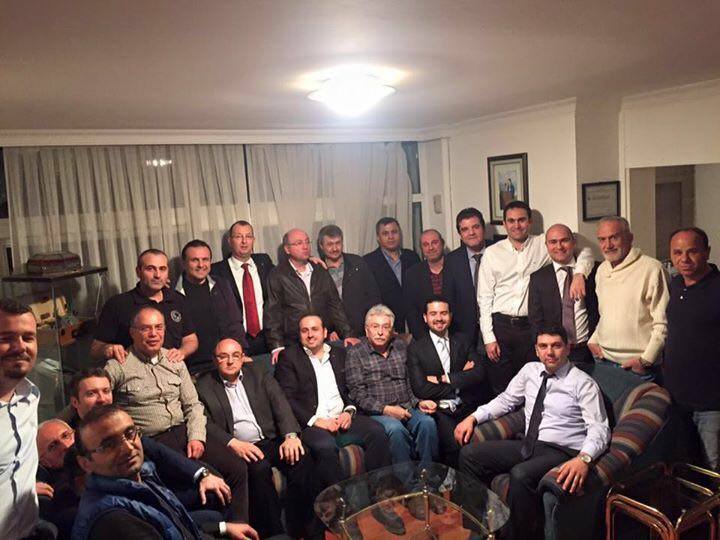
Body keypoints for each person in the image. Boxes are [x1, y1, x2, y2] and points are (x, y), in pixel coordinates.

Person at [455, 326, 610, 540]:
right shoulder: (530, 371)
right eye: (543, 346)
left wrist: (584, 459)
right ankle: (481, 528)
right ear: (536, 350)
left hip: (562, 451)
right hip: (529, 444)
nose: (550, 352)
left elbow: (599, 428)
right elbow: (507, 400)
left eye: (556, 346)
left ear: (567, 348)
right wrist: (473, 417)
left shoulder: (583, 383)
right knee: (469, 455)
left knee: (520, 474)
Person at [104, 306, 249, 523]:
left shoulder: (174, 360)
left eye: (158, 327)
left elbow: (193, 405)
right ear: (133, 332)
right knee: (214, 482)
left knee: (237, 468)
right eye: (145, 328)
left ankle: (241, 528)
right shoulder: (119, 365)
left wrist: (196, 437)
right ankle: (216, 530)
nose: (153, 334)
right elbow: (93, 396)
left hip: (186, 432)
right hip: (155, 441)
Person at [196, 338, 322, 539]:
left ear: (242, 357)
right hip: (242, 446)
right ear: (214, 359)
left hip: (271, 438)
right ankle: (276, 535)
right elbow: (205, 422)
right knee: (259, 471)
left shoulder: (258, 372)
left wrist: (290, 435)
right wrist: (233, 443)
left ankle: (308, 530)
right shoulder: (203, 386)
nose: (230, 361)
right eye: (223, 356)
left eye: (235, 355)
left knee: (302, 457)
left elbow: (279, 402)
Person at [72, 405, 258, 540]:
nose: (128, 448)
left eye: (130, 433)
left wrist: (224, 528)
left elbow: (177, 529)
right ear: (85, 463)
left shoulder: (144, 480)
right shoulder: (113, 521)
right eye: (109, 445)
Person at [478, 202, 595, 396]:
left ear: (530, 222)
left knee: (534, 384)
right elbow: (484, 298)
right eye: (511, 221)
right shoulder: (492, 253)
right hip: (501, 327)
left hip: (530, 328)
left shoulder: (544, 243)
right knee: (503, 387)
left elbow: (586, 252)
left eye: (522, 220)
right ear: (504, 224)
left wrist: (579, 274)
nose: (517, 225)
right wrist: (489, 338)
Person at [274, 314, 392, 485]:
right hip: (312, 423)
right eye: (305, 331)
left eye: (315, 329)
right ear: (299, 334)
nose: (310, 335)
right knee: (325, 447)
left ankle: (382, 490)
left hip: (342, 417)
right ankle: (337, 498)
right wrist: (316, 421)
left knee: (377, 432)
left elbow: (352, 388)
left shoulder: (340, 354)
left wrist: (348, 411)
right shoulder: (289, 357)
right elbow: (286, 399)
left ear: (324, 332)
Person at [345, 305, 439, 466]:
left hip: (407, 407)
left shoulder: (401, 347)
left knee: (427, 423)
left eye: (385, 327)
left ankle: (429, 475)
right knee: (396, 429)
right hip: (376, 412)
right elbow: (358, 395)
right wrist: (386, 409)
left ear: (392, 331)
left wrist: (418, 402)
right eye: (375, 327)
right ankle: (406, 479)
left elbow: (409, 380)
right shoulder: (355, 353)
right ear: (367, 330)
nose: (380, 332)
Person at [407, 296, 486, 467]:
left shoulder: (463, 340)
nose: (439, 318)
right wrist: (460, 379)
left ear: (450, 315)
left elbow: (479, 373)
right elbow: (420, 388)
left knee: (481, 449)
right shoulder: (416, 348)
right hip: (439, 411)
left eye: (443, 313)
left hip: (467, 406)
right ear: (425, 317)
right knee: (454, 449)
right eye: (433, 314)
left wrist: (443, 378)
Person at [664, 227, 720, 469]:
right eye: (677, 253)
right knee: (684, 464)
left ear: (707, 252)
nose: (684, 259)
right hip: (676, 399)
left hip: (712, 403)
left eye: (692, 251)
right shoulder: (675, 284)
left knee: (712, 467)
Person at [588, 216, 669, 380]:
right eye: (602, 239)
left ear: (630, 238)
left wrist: (646, 360)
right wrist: (593, 340)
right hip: (603, 361)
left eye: (614, 237)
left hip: (638, 368)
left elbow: (663, 322)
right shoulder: (602, 270)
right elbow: (605, 314)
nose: (608, 245)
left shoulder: (652, 268)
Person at [265, 228, 357, 364]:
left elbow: (334, 304)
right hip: (294, 341)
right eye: (299, 243)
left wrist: (348, 334)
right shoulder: (277, 275)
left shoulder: (320, 270)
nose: (305, 246)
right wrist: (277, 346)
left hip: (322, 340)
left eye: (307, 242)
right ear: (287, 249)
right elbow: (273, 312)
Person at [91, 249, 198, 364]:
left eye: (162, 269)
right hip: (134, 371)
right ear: (138, 272)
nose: (157, 275)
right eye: (150, 269)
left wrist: (182, 352)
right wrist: (107, 349)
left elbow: (191, 340)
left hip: (172, 369)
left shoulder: (178, 299)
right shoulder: (118, 304)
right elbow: (95, 350)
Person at [0, 299, 42, 540]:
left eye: (28, 337)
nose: (20, 347)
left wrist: (26, 484)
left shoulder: (30, 394)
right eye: (5, 339)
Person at [528, 224, 599, 364]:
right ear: (546, 245)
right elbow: (535, 319)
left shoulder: (592, 271)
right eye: (553, 242)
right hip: (555, 353)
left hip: (588, 349)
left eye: (564, 240)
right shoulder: (538, 278)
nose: (559, 246)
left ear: (574, 242)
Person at [175, 239, 247, 376]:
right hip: (192, 368)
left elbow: (235, 322)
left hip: (224, 362)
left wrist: (241, 353)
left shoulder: (222, 284)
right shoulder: (174, 293)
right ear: (184, 263)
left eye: (205, 260)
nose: (201, 265)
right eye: (195, 260)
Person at [211, 220, 274, 356]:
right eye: (238, 237)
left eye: (248, 236)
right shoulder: (216, 271)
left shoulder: (264, 261)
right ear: (230, 241)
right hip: (236, 341)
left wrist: (308, 261)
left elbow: (285, 273)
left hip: (267, 339)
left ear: (253, 240)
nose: (244, 241)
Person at [317, 224, 382, 337]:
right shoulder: (317, 270)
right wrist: (328, 328)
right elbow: (318, 305)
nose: (335, 248)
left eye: (338, 243)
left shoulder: (357, 263)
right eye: (330, 244)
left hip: (363, 330)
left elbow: (373, 295)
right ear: (321, 246)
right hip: (334, 335)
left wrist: (374, 323)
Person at [364, 217, 420, 333]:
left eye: (394, 232)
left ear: (400, 234)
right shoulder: (368, 262)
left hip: (416, 322)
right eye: (385, 233)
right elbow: (369, 298)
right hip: (386, 326)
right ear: (378, 238)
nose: (391, 237)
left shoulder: (412, 257)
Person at [444, 208, 490, 347]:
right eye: (465, 229)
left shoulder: (498, 251)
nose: (471, 233)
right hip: (465, 334)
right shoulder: (452, 260)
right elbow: (449, 298)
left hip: (497, 329)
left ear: (483, 228)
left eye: (476, 227)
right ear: (460, 235)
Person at [403, 229, 450, 340]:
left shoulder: (456, 267)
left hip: (458, 335)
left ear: (442, 243)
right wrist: (423, 340)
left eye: (434, 242)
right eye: (425, 245)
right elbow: (411, 312)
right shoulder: (412, 274)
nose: (430, 248)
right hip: (425, 336)